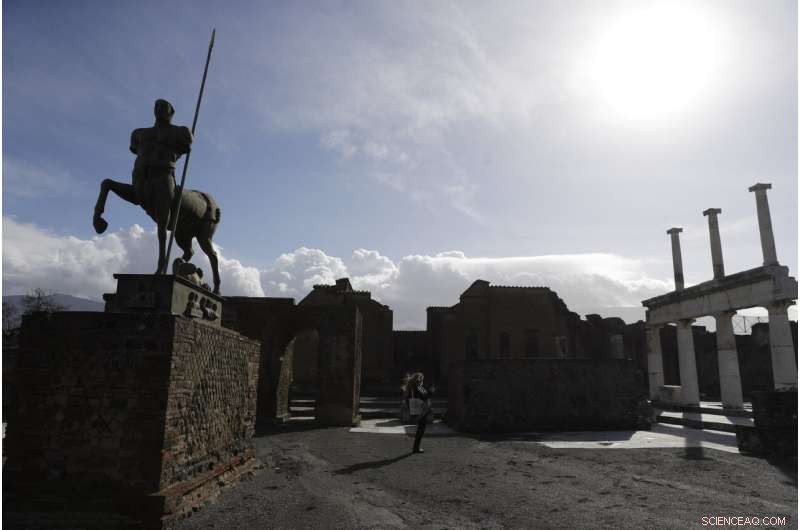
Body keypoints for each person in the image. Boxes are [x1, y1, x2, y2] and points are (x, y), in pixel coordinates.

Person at [403, 372, 436, 454]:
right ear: (420, 379)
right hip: (421, 410)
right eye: (422, 379)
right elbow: (425, 396)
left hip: (415, 410)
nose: (422, 381)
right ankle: (416, 448)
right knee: (421, 429)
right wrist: (431, 391)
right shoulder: (418, 387)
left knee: (420, 429)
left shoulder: (411, 387)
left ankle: (416, 447)